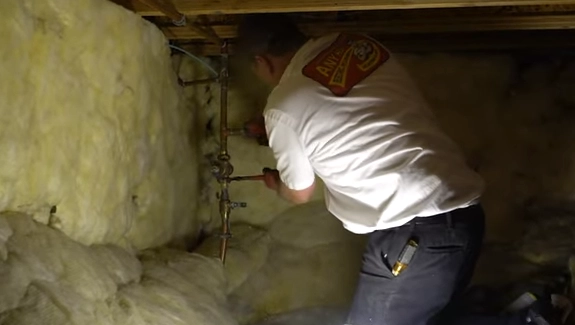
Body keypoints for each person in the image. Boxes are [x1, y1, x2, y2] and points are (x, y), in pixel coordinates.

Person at [236, 13, 553, 325]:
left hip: (414, 232)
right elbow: (354, 113)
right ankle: (526, 312)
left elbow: (299, 192)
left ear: (261, 62)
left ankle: (528, 318)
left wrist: (277, 181)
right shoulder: (357, 45)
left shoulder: (282, 105)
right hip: (460, 217)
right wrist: (284, 132)